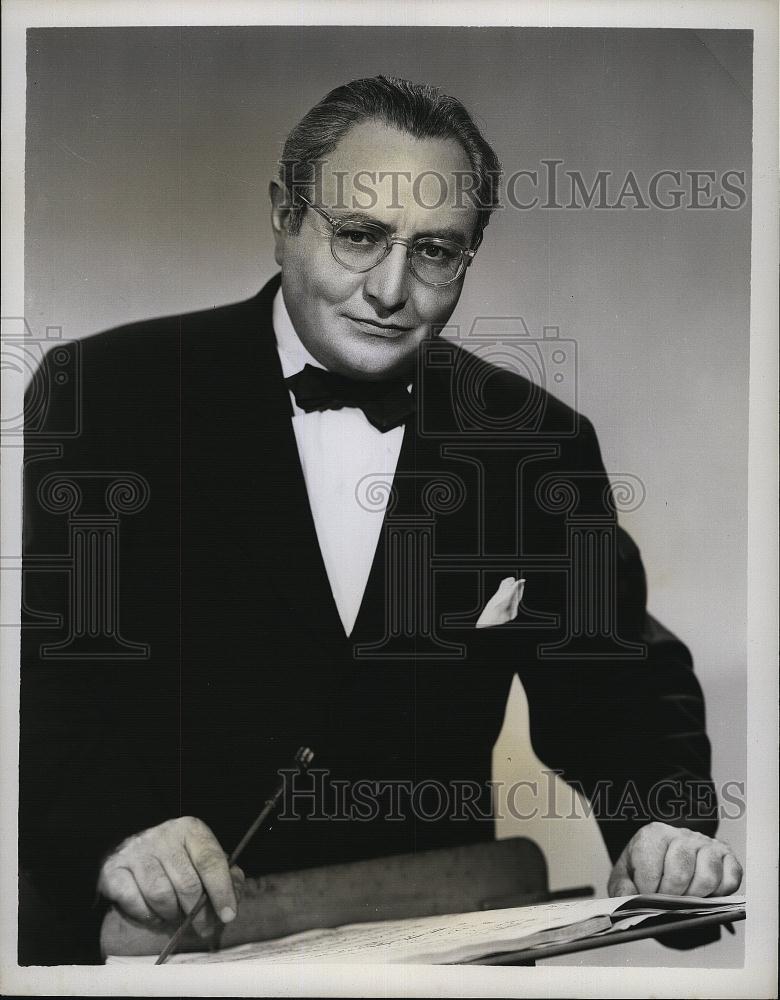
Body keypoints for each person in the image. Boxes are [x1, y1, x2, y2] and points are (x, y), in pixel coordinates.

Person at [19, 76, 741, 965]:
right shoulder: (109, 394)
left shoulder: (533, 441)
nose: (391, 290)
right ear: (285, 215)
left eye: (436, 253)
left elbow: (613, 673)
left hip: (431, 946)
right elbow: (40, 675)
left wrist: (659, 822)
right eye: (359, 237)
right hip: (142, 949)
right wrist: (113, 835)